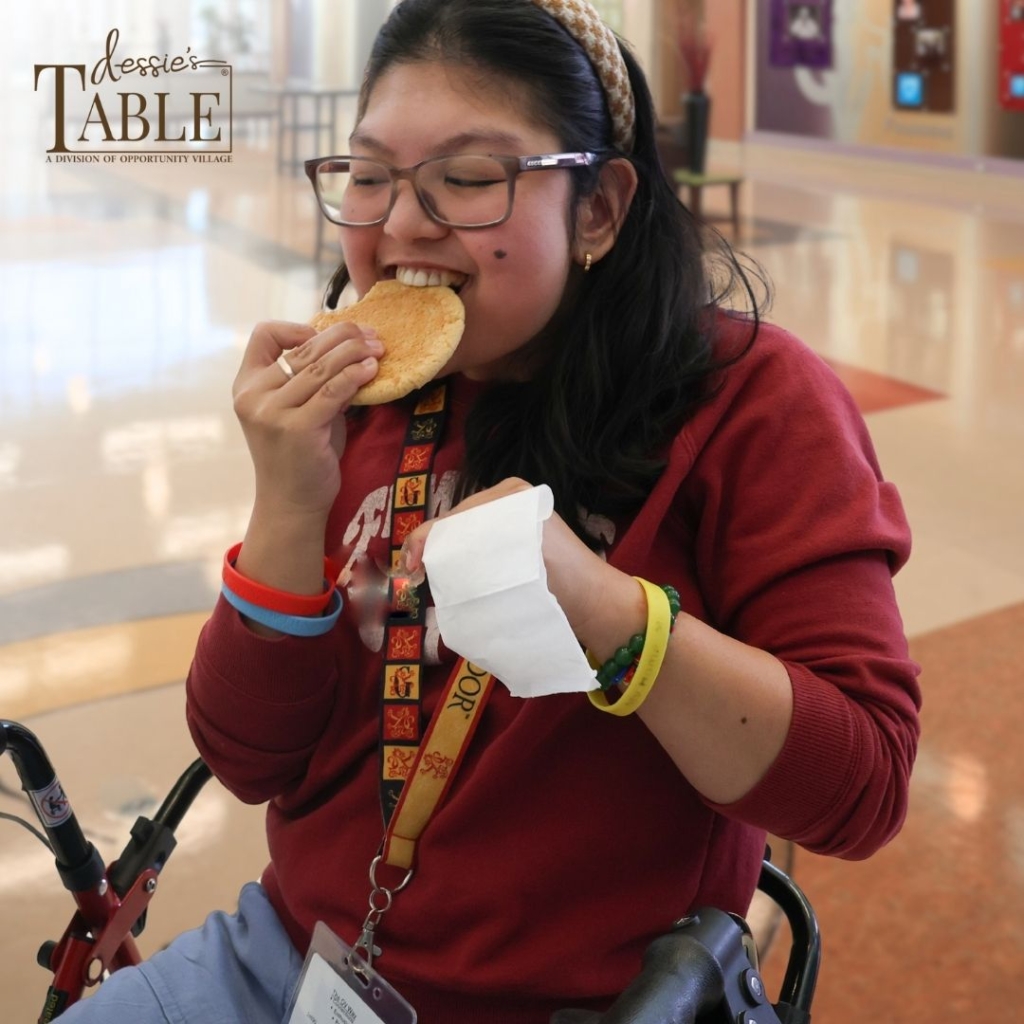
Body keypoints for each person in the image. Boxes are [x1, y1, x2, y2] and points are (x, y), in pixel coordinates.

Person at [61, 1, 920, 1021]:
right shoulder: (363, 394)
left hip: (590, 1004)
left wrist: (606, 611)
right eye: (370, 175)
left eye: (468, 178)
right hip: (293, 959)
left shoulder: (747, 399)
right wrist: (289, 501)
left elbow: (859, 786)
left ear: (596, 208)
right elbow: (247, 758)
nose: (400, 224)